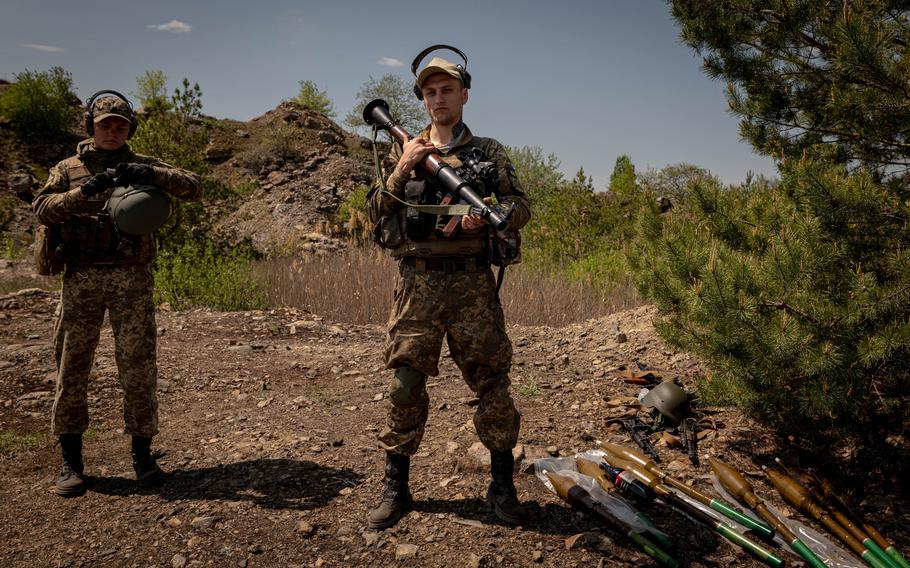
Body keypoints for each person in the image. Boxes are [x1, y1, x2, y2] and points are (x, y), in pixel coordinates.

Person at [364, 48, 531, 529]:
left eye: (447, 89)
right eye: (430, 91)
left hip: (472, 286)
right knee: (404, 385)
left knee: (493, 385)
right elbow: (376, 209)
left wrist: (483, 213)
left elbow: (521, 207)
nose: (438, 98)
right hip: (417, 286)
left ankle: (501, 489)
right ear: (422, 99)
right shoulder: (402, 148)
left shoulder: (488, 152)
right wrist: (404, 165)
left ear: (464, 95)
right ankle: (396, 488)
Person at [32, 91, 201, 497]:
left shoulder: (142, 165)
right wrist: (84, 192)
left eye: (120, 126)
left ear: (129, 130)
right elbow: (41, 207)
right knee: (72, 368)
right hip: (81, 278)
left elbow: (192, 187)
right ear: (91, 125)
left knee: (138, 369)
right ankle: (71, 461)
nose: (112, 131)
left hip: (131, 279)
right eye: (105, 124)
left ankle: (143, 458)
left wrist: (152, 176)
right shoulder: (68, 168)